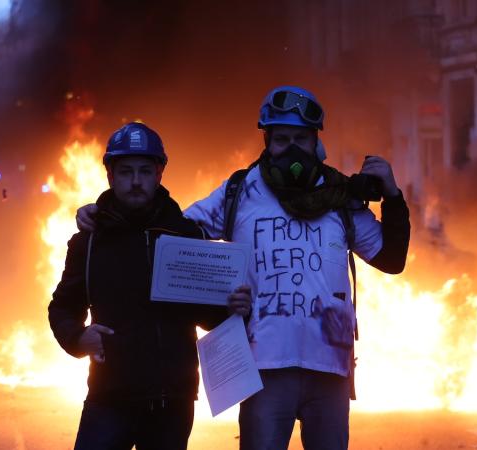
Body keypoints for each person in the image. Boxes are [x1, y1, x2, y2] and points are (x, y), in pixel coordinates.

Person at [76, 86, 410, 450]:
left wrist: (392, 197)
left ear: (316, 141)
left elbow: (391, 259)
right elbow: (173, 237)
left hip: (329, 367)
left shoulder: (341, 198)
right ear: (266, 140)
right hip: (262, 368)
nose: (292, 148)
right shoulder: (240, 191)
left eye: (301, 137)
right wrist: (105, 213)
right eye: (282, 139)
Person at [49, 122, 252, 450]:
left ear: (159, 173)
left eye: (144, 171)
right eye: (126, 171)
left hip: (171, 403)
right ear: (110, 175)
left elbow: (207, 316)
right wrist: (76, 337)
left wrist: (233, 309)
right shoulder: (89, 242)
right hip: (108, 398)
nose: (135, 181)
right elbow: (62, 307)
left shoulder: (186, 236)